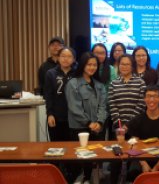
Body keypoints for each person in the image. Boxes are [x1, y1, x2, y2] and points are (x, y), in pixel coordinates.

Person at [65, 52, 107, 183]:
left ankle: (91, 179)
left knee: (95, 159)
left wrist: (99, 122)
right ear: (83, 65)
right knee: (80, 160)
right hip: (80, 128)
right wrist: (89, 123)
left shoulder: (99, 85)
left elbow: (103, 106)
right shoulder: (73, 83)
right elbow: (74, 108)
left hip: (97, 128)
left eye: (95, 65)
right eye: (89, 64)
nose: (92, 67)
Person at [108, 54, 146, 184]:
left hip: (135, 128)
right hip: (118, 129)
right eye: (122, 64)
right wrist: (119, 124)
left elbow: (141, 105)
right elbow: (112, 104)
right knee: (116, 159)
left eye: (127, 64)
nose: (124, 67)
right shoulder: (113, 83)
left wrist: (128, 125)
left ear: (132, 66)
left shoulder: (140, 82)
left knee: (134, 159)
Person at [127, 85, 159, 179]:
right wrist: (143, 163)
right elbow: (134, 145)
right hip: (142, 157)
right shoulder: (137, 120)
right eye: (148, 96)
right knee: (134, 169)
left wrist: (157, 167)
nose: (151, 99)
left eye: (155, 96)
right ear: (144, 99)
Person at [44, 47, 76, 142]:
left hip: (74, 118)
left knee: (73, 148)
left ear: (74, 59)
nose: (66, 59)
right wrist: (50, 114)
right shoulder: (51, 73)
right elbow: (48, 96)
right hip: (56, 117)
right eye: (63, 56)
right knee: (56, 148)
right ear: (58, 58)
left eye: (69, 56)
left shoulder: (77, 74)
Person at [92, 43, 117, 140]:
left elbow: (112, 91)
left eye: (102, 53)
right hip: (90, 111)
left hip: (107, 110)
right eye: (96, 53)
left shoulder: (111, 69)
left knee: (106, 138)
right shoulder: (89, 68)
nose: (99, 56)